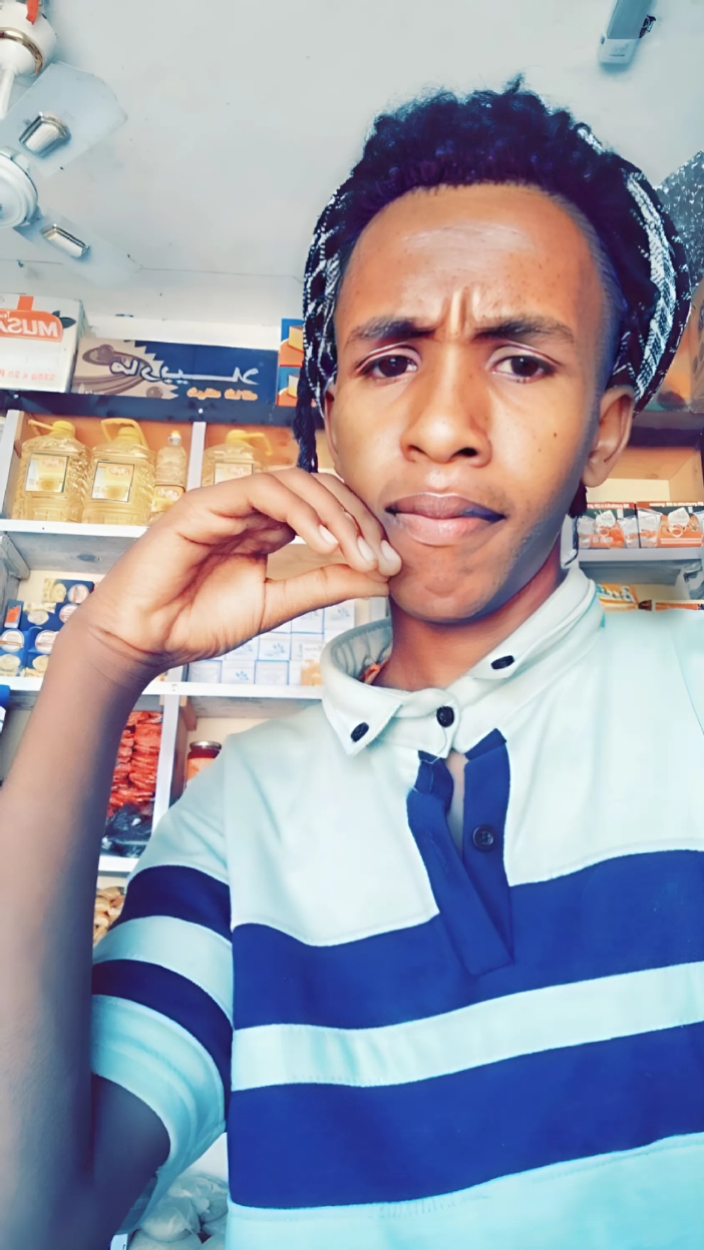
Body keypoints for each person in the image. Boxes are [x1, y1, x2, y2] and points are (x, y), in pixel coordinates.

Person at [1, 79, 700, 1250]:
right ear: (325, 417)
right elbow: (33, 1212)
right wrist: (100, 658)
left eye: (520, 361)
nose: (441, 426)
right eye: (387, 361)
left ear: (606, 426)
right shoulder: (235, 819)